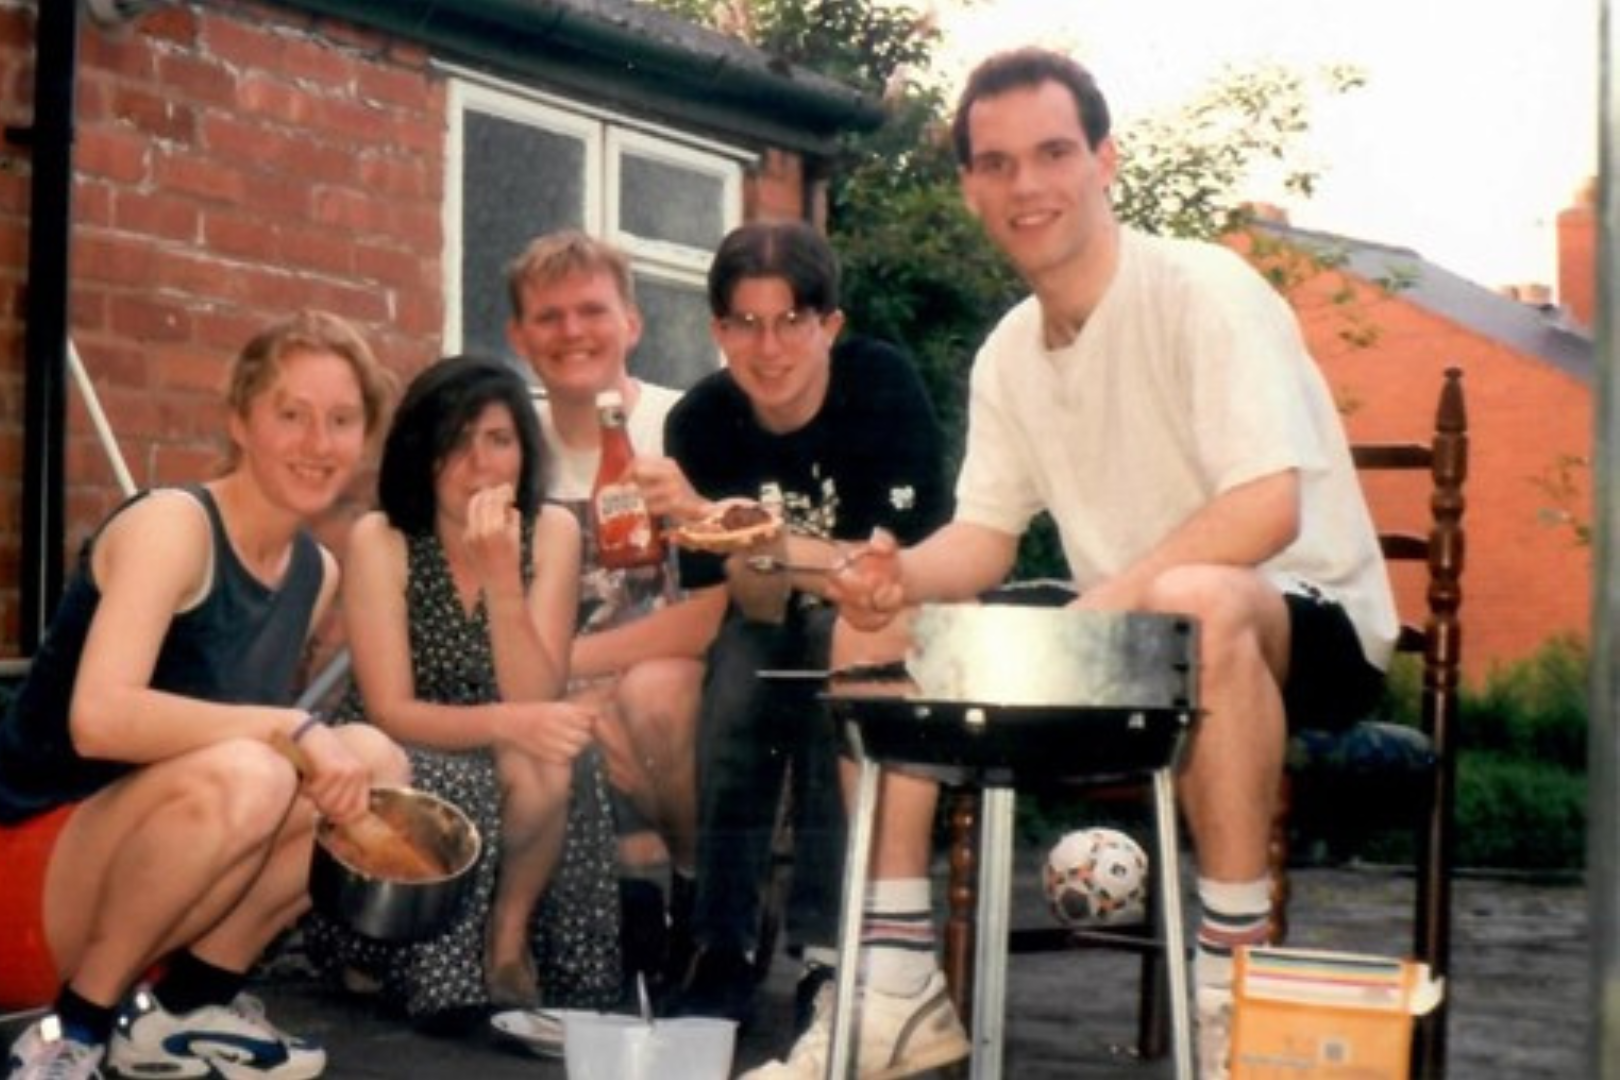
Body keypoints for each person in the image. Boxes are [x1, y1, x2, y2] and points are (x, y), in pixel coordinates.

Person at [778, 47, 1397, 1080]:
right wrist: (895, 574)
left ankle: (1234, 995)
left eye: (1054, 152)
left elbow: (1267, 505)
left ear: (1105, 159)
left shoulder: (1205, 287)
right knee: (872, 629)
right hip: (1125, 632)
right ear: (972, 185)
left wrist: (1112, 603)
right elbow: (982, 539)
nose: (1029, 185)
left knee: (1196, 600)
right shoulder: (1009, 351)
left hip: (1300, 616)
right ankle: (893, 989)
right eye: (998, 163)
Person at [0, 311, 413, 1080]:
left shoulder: (316, 573)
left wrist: (299, 739)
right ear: (240, 421)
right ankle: (70, 1034)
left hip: (149, 886)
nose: (319, 443)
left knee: (374, 763)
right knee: (257, 769)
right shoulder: (172, 525)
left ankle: (185, 1009)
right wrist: (290, 726)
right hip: (10, 884)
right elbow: (99, 720)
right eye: (292, 414)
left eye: (342, 421)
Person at [635, 220, 954, 1032]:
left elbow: (895, 568)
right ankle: (721, 944)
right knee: (741, 670)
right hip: (772, 618)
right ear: (717, 331)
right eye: (743, 322)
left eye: (790, 322)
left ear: (829, 326)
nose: (767, 348)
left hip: (887, 626)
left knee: (831, 650)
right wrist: (749, 543)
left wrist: (757, 533)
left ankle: (828, 951)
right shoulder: (701, 426)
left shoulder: (881, 387)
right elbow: (753, 601)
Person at [304, 355, 623, 1027]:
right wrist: (511, 724)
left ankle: (506, 940)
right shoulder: (383, 538)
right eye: (457, 443)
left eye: (499, 440)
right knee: (511, 755)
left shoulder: (555, 531)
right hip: (406, 744)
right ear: (424, 456)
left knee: (554, 756)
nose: (482, 465)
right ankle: (405, 960)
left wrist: (503, 579)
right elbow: (391, 711)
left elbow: (536, 692)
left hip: (511, 737)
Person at [504, 230, 725, 989]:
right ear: (518, 336)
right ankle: (616, 915)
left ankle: (705, 894)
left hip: (663, 688)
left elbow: (713, 615)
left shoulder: (687, 426)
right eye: (549, 316)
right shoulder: (505, 445)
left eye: (592, 311)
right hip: (550, 697)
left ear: (632, 322)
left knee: (651, 695)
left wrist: (574, 671)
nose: (572, 333)